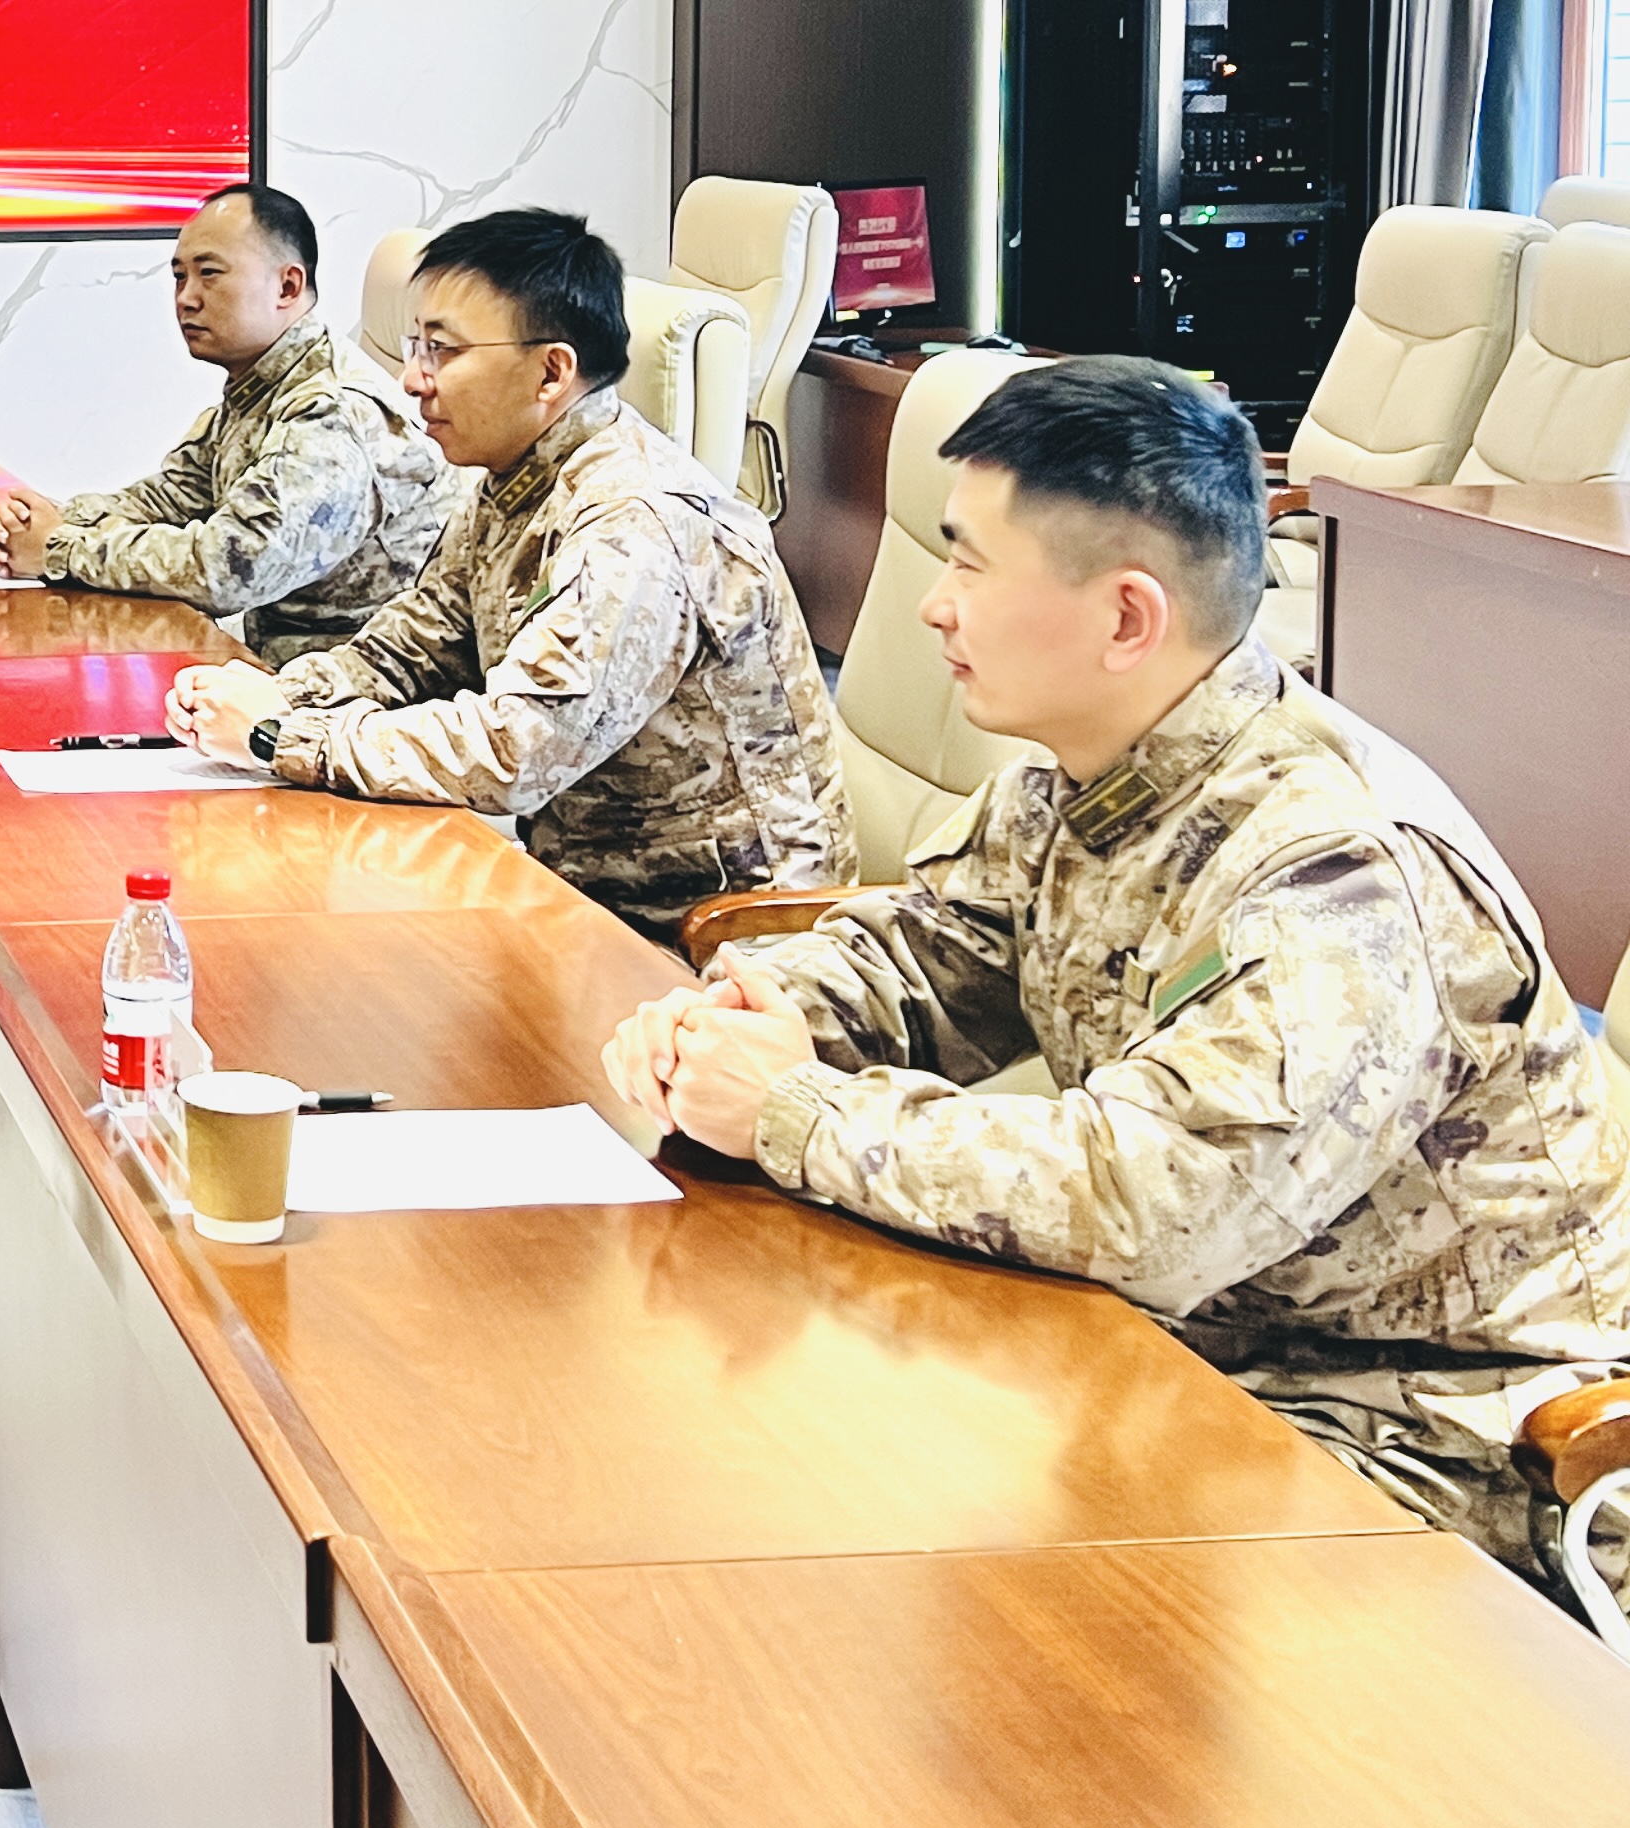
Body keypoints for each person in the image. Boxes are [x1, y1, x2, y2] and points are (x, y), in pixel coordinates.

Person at [603, 356, 1630, 1605]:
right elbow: (926, 956)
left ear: (1128, 619)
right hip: (1197, 1355)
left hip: (1438, 1446)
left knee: (878, 1558)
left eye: (971, 564)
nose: (933, 606)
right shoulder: (1086, 773)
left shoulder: (1341, 875)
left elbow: (1151, 1204)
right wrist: (742, 1023)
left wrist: (794, 1109)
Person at [168, 206, 849, 941]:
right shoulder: (515, 480)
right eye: (415, 346)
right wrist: (280, 694)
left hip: (720, 937)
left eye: (442, 351)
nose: (413, 380)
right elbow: (413, 648)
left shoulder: (634, 524)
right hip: (581, 891)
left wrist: (280, 735)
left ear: (552, 371)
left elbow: (515, 749)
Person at [0, 183, 452, 655]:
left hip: (351, 684)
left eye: (209, 274)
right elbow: (172, 498)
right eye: (179, 277)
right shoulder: (260, 388)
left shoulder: (333, 412)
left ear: (287, 287)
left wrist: (59, 549)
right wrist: (45, 522)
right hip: (271, 669)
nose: (186, 298)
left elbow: (227, 569)